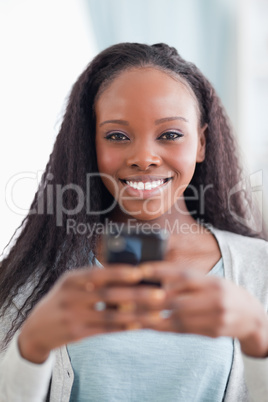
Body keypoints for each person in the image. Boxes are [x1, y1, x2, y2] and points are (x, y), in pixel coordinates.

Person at [1, 42, 268, 402]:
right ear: (90, 144)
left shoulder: (260, 271)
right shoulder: (33, 276)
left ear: (201, 142)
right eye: (117, 136)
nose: (144, 157)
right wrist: (30, 347)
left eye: (170, 135)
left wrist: (257, 338)